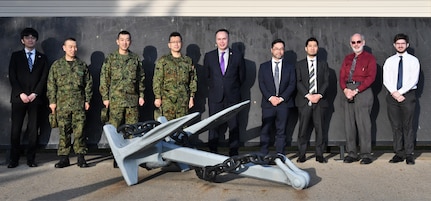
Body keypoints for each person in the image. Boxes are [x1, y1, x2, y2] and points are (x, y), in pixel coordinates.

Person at [47, 38, 93, 168]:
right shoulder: (57, 65)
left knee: (80, 131)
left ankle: (81, 157)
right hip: (62, 104)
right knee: (64, 131)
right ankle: (64, 158)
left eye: (75, 47)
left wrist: (87, 100)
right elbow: (51, 85)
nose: (73, 49)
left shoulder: (81, 65)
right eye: (70, 47)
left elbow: (88, 84)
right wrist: (52, 102)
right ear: (64, 48)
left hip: (78, 103)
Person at [8, 27, 49, 168]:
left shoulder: (42, 58)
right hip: (19, 98)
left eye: (33, 37)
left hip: (35, 99)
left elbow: (43, 78)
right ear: (22, 40)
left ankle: (31, 159)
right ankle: (13, 159)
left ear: (36, 40)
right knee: (16, 129)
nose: (30, 40)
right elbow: (12, 76)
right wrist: (21, 93)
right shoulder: (16, 56)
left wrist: (34, 94)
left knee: (33, 130)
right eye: (27, 37)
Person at [204, 29, 246, 156]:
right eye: (219, 39)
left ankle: (233, 152)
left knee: (234, 125)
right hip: (215, 97)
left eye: (224, 39)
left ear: (228, 39)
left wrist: (230, 87)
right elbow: (207, 76)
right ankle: (212, 152)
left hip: (232, 97)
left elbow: (242, 77)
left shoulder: (237, 56)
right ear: (216, 41)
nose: (222, 41)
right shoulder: (209, 56)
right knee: (213, 126)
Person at [339, 33, 376, 165]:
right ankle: (352, 153)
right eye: (353, 42)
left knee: (364, 124)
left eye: (358, 42)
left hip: (362, 91)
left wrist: (356, 90)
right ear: (350, 44)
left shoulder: (369, 58)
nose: (356, 44)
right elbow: (342, 76)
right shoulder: (347, 58)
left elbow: (371, 77)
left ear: (363, 42)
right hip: (348, 91)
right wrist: (345, 89)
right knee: (349, 125)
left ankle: (366, 154)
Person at [383, 33, 420, 165]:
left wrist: (400, 92)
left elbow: (413, 79)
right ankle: (398, 153)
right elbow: (386, 79)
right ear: (394, 45)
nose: (400, 45)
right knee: (396, 126)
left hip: (408, 95)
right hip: (392, 96)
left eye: (403, 43)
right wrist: (394, 92)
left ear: (407, 45)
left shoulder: (413, 61)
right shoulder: (389, 61)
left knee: (408, 126)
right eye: (398, 43)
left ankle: (409, 154)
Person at [100, 30, 145, 129]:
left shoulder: (135, 59)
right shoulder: (111, 58)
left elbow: (140, 78)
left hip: (132, 101)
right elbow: (104, 78)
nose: (124, 43)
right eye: (122, 40)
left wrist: (141, 96)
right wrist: (105, 98)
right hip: (116, 101)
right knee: (114, 130)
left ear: (130, 42)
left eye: (127, 40)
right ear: (117, 41)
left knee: (133, 130)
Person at [258, 39, 296, 156]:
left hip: (284, 103)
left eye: (281, 49)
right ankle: (264, 154)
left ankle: (280, 154)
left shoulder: (289, 67)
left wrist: (281, 98)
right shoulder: (264, 67)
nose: (279, 51)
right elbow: (261, 84)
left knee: (281, 130)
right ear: (271, 50)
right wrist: (271, 97)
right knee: (265, 130)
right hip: (268, 104)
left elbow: (292, 84)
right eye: (276, 48)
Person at [295, 37, 330, 163]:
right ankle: (302, 154)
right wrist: (308, 95)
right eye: (310, 45)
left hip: (320, 101)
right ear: (306, 48)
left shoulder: (323, 64)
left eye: (315, 45)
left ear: (317, 48)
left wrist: (319, 94)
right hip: (304, 101)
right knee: (303, 129)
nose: (312, 48)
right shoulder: (299, 65)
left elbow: (326, 82)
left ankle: (319, 154)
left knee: (320, 128)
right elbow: (297, 82)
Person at [153, 32, 197, 120]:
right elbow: (157, 80)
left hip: (183, 101)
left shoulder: (187, 61)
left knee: (182, 128)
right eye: (173, 42)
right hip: (167, 101)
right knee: (167, 128)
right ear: (169, 45)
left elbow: (192, 80)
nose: (176, 44)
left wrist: (192, 97)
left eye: (178, 42)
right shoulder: (163, 60)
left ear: (182, 43)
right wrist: (157, 97)